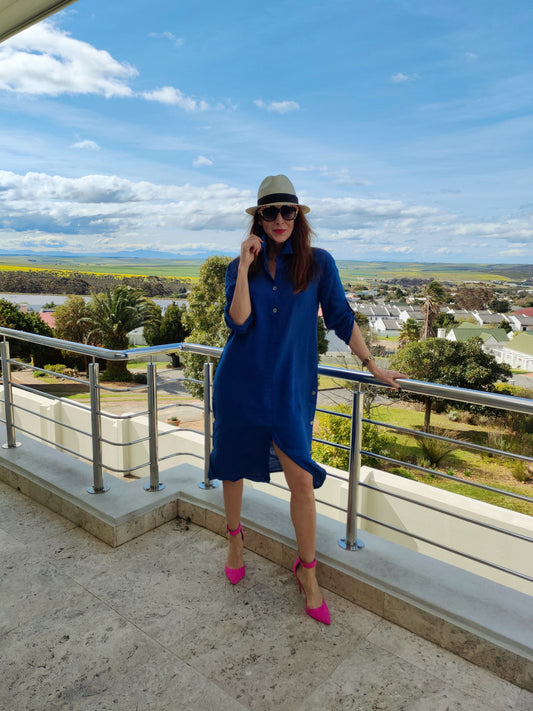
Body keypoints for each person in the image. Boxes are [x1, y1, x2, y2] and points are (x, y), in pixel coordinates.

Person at [208, 175, 404, 625]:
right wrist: (243, 263)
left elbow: (339, 316)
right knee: (232, 465)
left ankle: (308, 572)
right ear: (258, 218)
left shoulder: (318, 264)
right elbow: (237, 323)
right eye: (270, 212)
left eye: (288, 211)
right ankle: (235, 540)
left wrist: (372, 364)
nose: (279, 220)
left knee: (300, 480)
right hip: (241, 382)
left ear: (299, 216)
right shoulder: (240, 266)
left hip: (291, 390)